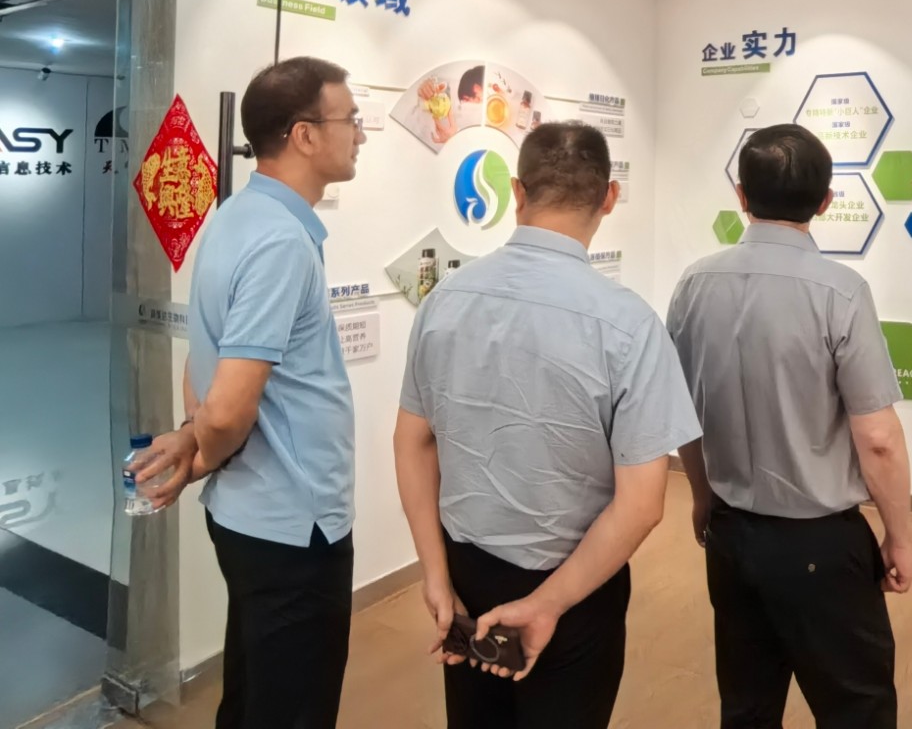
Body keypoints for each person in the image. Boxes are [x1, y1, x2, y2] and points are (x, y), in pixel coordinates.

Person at [394, 121, 701, 729]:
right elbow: (642, 505)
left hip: (465, 578)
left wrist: (434, 573)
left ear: (516, 191)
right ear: (609, 197)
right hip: (577, 587)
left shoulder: (444, 300)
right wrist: (547, 604)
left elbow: (412, 441)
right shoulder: (629, 325)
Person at [134, 56, 366, 729]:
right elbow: (232, 405)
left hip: (253, 516)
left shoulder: (237, 215)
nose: (359, 133)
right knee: (290, 708)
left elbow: (201, 356)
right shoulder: (280, 241)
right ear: (304, 135)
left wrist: (194, 437)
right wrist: (198, 454)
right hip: (292, 524)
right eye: (350, 119)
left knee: (254, 693)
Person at [669, 123, 912, 729]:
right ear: (826, 201)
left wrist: (701, 496)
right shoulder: (842, 292)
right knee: (857, 708)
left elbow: (682, 410)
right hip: (820, 546)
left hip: (730, 535)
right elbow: (878, 439)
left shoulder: (694, 283)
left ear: (741, 196)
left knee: (746, 704)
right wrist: (900, 536)